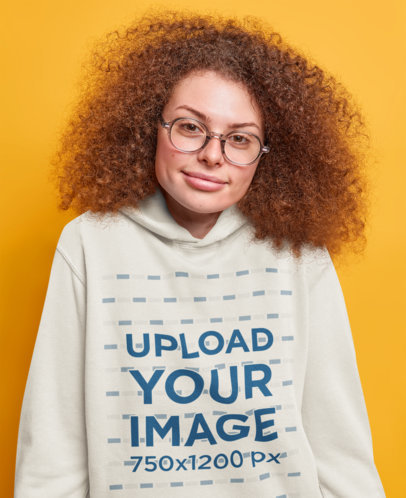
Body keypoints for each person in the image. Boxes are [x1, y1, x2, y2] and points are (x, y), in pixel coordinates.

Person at [14, 10, 386, 498]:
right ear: (151, 127)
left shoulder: (300, 257)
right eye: (191, 127)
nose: (213, 155)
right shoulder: (90, 244)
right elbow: (54, 452)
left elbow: (340, 451)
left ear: (269, 153)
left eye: (240, 138)